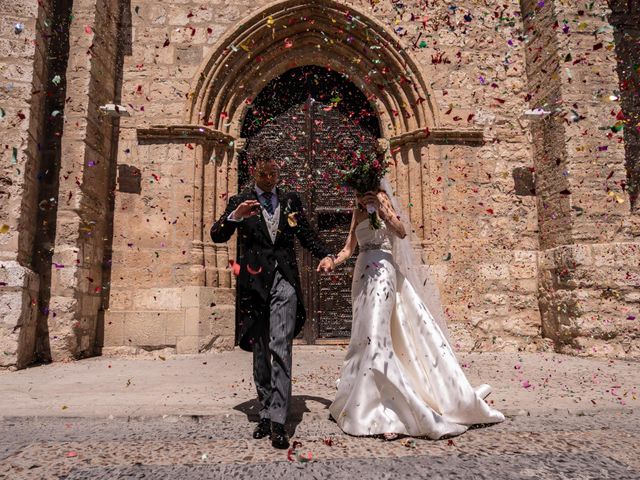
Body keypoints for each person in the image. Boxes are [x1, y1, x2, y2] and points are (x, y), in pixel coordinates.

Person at [329, 179, 505, 440]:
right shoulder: (356, 212)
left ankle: (388, 412)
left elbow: (400, 232)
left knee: (377, 335)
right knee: (364, 337)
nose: (358, 196)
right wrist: (332, 261)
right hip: (363, 277)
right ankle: (371, 401)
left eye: (361, 191)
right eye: (355, 192)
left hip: (383, 273)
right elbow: (348, 248)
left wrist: (381, 209)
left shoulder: (382, 202)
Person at [210, 148, 335, 449]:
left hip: (285, 282)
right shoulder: (240, 202)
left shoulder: (291, 201)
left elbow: (306, 233)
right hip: (254, 286)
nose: (269, 179)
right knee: (261, 350)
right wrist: (235, 217)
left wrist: (327, 254)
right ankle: (265, 409)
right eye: (263, 174)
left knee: (281, 347)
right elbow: (216, 235)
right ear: (253, 172)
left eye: (274, 174)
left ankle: (278, 419)